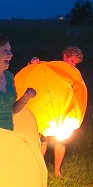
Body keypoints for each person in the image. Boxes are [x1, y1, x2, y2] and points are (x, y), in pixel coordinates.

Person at [36, 46, 84, 176]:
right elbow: (38, 69)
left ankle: (57, 171)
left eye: (76, 63)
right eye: (72, 61)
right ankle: (39, 170)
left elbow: (78, 90)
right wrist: (32, 62)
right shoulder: (53, 68)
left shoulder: (73, 73)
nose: (74, 65)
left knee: (60, 141)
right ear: (65, 56)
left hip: (64, 112)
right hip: (48, 109)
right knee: (43, 141)